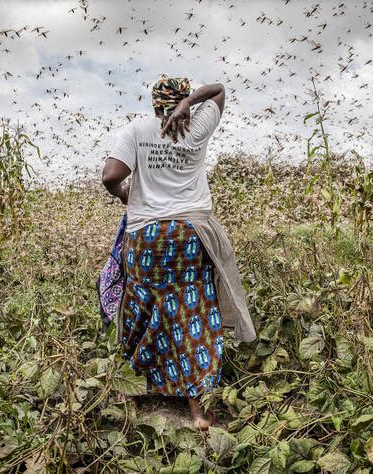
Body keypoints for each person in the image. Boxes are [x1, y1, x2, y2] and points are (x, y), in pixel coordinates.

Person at [101, 76, 256, 431]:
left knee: (140, 305)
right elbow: (219, 88)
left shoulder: (137, 130)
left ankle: (131, 391)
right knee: (192, 312)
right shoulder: (197, 125)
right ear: (183, 101)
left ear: (155, 104)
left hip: (147, 238)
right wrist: (191, 104)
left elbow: (111, 175)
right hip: (190, 235)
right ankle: (198, 412)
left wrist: (126, 195)